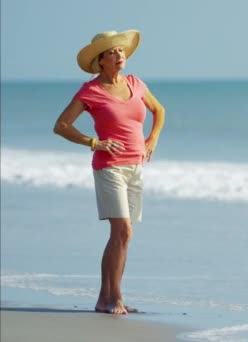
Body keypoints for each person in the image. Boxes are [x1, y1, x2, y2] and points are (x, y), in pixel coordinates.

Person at [53, 30, 165, 315]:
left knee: (125, 236)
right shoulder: (90, 91)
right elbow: (62, 125)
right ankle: (111, 298)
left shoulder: (136, 84)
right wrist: (94, 142)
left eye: (121, 51)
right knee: (122, 230)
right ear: (100, 60)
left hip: (135, 166)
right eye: (112, 52)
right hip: (109, 167)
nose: (119, 55)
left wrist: (152, 139)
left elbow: (159, 110)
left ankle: (109, 298)